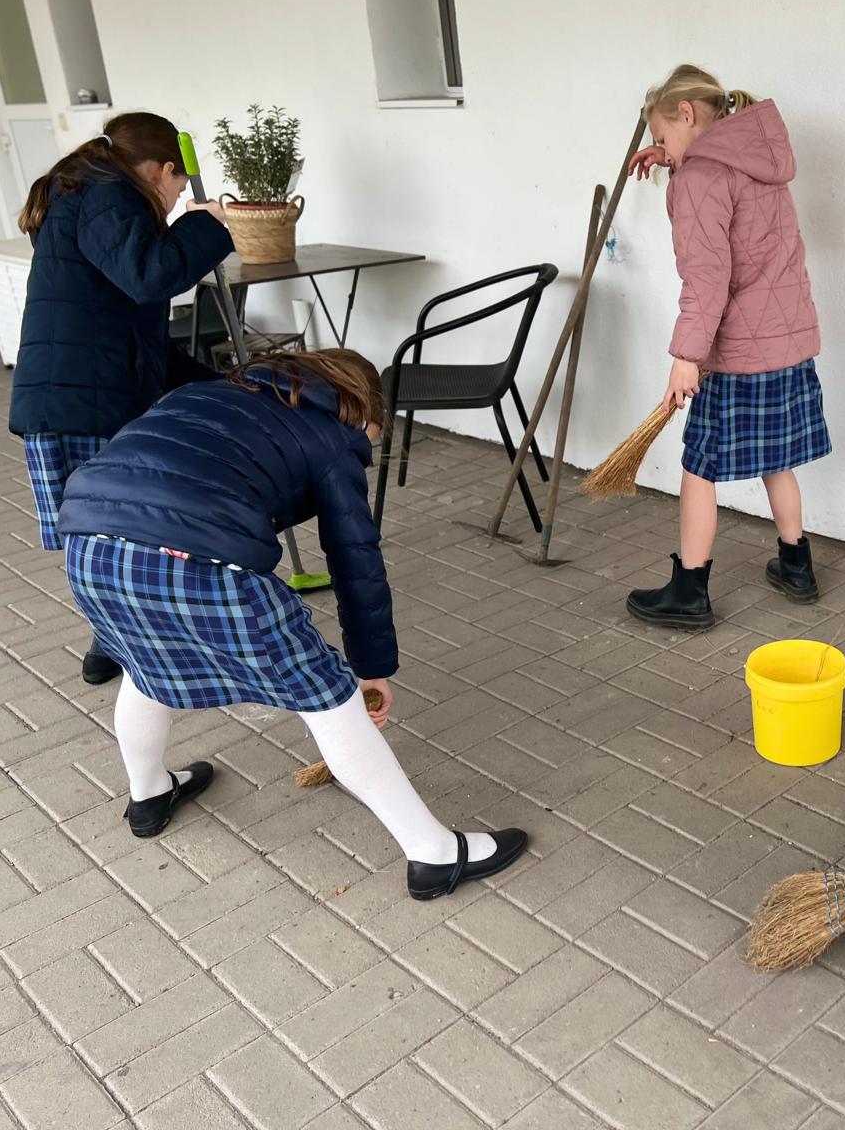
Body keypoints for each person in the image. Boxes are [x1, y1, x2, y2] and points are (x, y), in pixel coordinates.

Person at [57, 349, 526, 900]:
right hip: (196, 561)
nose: (368, 448)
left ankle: (149, 793)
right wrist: (370, 669)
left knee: (145, 663)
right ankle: (435, 854)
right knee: (328, 696)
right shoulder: (332, 433)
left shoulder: (203, 395)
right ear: (358, 406)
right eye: (373, 436)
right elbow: (356, 562)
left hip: (87, 547)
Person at [8, 111, 234, 685]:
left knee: (104, 531)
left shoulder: (93, 192)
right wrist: (203, 225)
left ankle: (114, 639)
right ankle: (123, 643)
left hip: (81, 394)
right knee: (111, 529)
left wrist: (221, 385)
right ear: (162, 169)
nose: (177, 201)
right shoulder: (108, 196)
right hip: (82, 400)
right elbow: (150, 276)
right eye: (178, 188)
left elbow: (136, 333)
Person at [624, 65, 830, 630]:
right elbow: (738, 221)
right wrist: (676, 157)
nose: (661, 148)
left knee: (699, 466)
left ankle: (689, 592)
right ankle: (797, 567)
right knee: (777, 457)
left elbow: (707, 279)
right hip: (786, 338)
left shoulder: (701, 179)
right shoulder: (758, 157)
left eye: (662, 135)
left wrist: (686, 357)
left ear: (687, 113)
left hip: (739, 346)